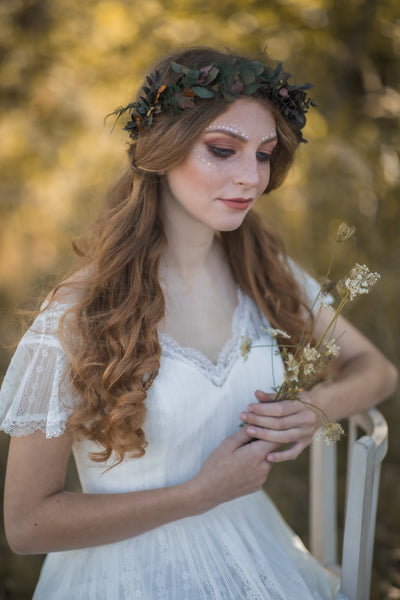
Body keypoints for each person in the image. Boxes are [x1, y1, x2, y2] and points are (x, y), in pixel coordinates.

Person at [0, 46, 397, 600]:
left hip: (255, 549)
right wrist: (198, 494)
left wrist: (313, 411)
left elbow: (377, 369)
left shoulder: (263, 270)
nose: (250, 178)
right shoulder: (79, 314)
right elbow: (25, 526)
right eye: (222, 150)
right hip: (124, 575)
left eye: (263, 155)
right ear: (161, 150)